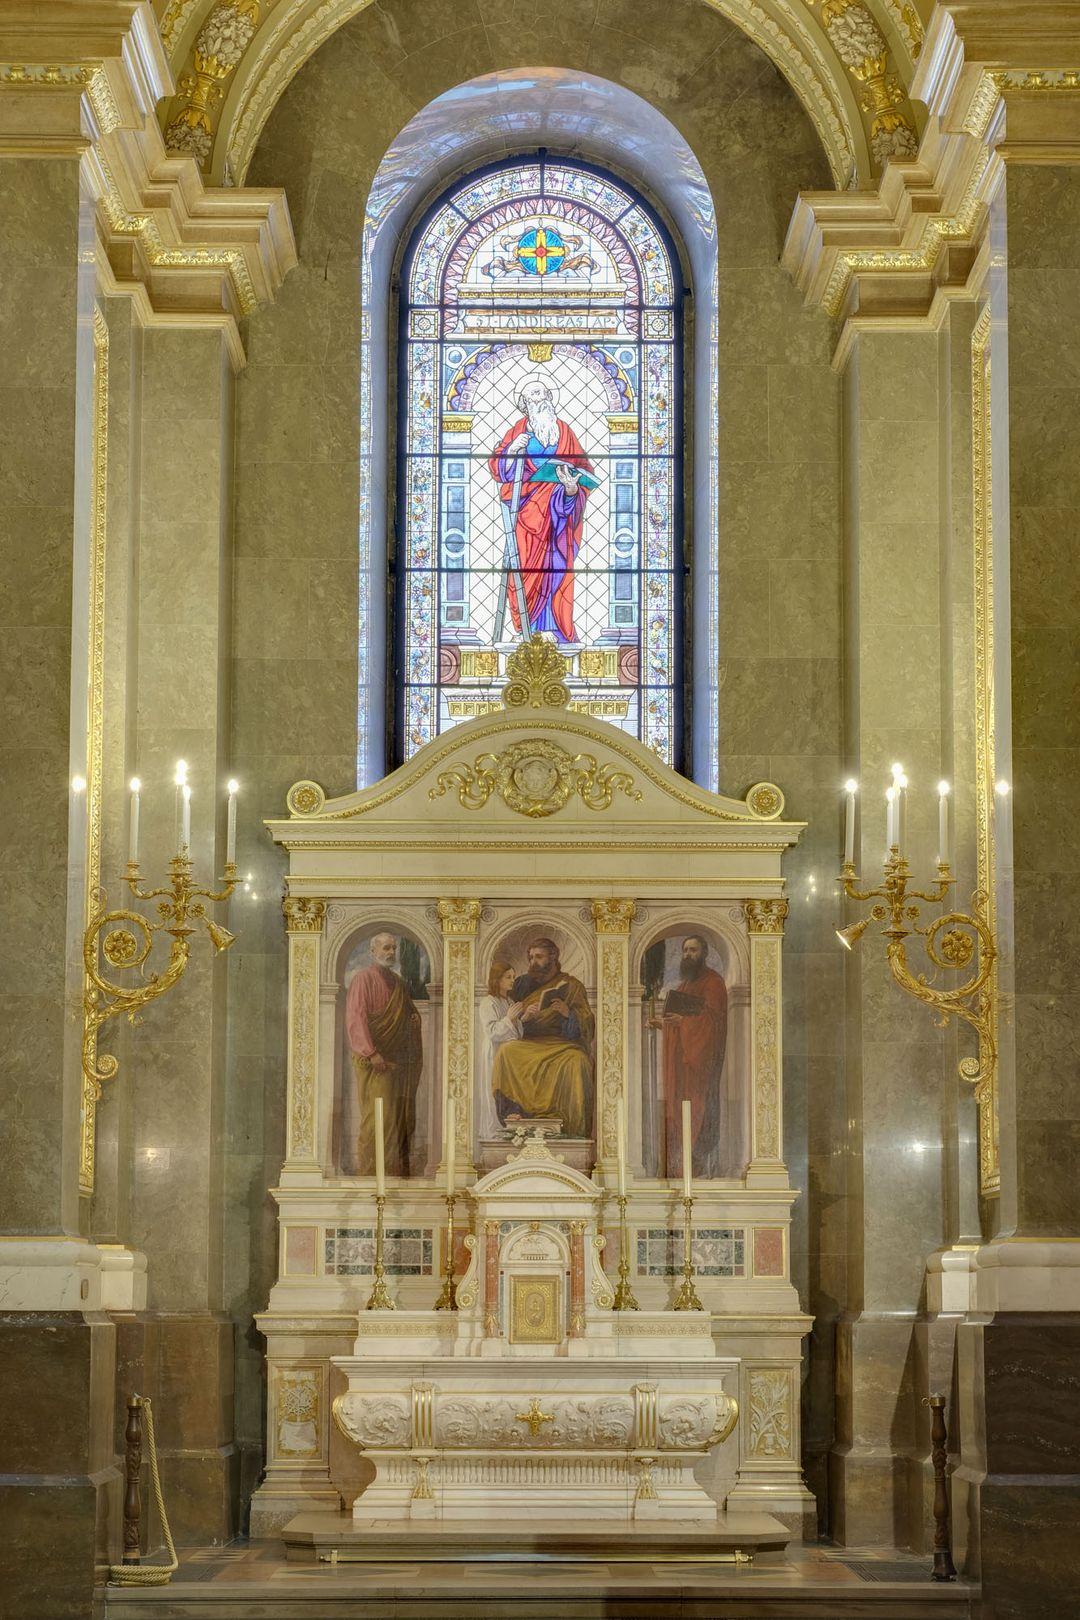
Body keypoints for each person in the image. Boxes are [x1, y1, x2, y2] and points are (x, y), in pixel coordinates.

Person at [488, 376, 594, 643]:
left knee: (556, 569)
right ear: (524, 403)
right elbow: (498, 469)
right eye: (533, 395)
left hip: (559, 518)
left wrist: (572, 490)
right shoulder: (517, 431)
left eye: (542, 393)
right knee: (526, 569)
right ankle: (528, 629)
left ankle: (555, 628)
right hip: (525, 513)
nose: (539, 398)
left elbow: (584, 471)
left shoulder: (564, 431)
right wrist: (512, 450)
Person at [492, 937, 594, 1137]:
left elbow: (588, 1025)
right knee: (506, 1051)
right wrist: (525, 1016)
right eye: (530, 958)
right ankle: (514, 1115)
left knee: (578, 1061)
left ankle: (571, 1129)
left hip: (562, 1045)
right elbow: (508, 1013)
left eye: (538, 957)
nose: (532, 962)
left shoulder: (573, 985)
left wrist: (568, 1014)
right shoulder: (521, 984)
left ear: (553, 957)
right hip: (528, 1042)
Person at [345, 931, 422, 1177]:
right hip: (374, 1061)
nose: (390, 953)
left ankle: (393, 1172)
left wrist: (413, 1019)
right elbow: (356, 1019)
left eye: (393, 949)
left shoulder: (398, 982)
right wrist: (372, 1053)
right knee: (377, 1117)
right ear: (373, 951)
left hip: (397, 1061)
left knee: (397, 1118)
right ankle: (370, 1174)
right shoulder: (363, 979)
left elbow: (408, 1014)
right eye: (386, 948)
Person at [654, 935, 727, 1178]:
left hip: (700, 1068)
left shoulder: (714, 983)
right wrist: (662, 1024)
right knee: (679, 1114)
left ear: (704, 953)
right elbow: (680, 1018)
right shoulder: (685, 986)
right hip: (683, 1067)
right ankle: (681, 1166)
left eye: (693, 950)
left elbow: (713, 1023)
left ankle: (695, 1165)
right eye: (685, 950)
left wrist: (683, 1023)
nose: (688, 955)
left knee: (697, 1111)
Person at [478, 959, 523, 1138]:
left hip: (510, 1055)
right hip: (495, 1053)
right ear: (497, 979)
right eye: (508, 977)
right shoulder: (488, 1002)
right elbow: (492, 1032)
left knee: (509, 1086)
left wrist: (522, 1018)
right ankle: (496, 1129)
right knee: (495, 1088)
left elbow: (516, 1033)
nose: (512, 980)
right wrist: (509, 1018)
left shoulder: (509, 1000)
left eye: (513, 977)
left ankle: (510, 1121)